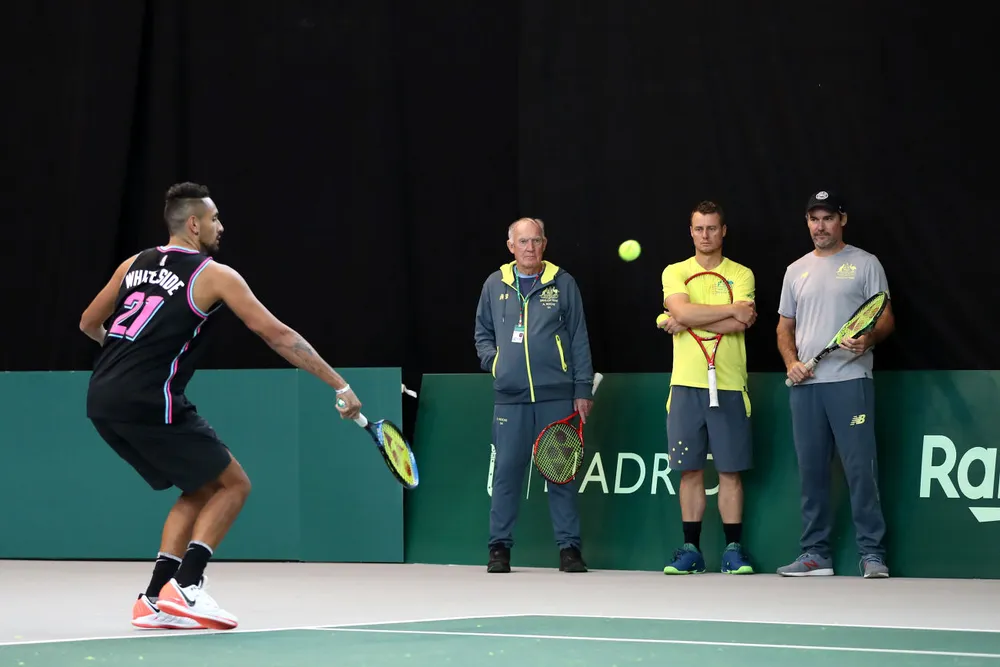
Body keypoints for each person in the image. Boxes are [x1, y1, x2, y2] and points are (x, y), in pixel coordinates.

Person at [79, 182, 363, 630]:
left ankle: (153, 599)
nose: (220, 226)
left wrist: (120, 360)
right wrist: (340, 384)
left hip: (101, 397)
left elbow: (89, 322)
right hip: (151, 398)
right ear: (194, 224)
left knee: (199, 488)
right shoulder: (213, 274)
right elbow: (278, 335)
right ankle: (187, 586)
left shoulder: (133, 264)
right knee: (235, 486)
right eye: (214, 219)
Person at [775, 189, 894, 579]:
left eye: (827, 218)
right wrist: (791, 362)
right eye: (813, 218)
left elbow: (885, 318)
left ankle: (872, 554)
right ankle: (815, 554)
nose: (819, 226)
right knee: (812, 472)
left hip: (850, 381)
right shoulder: (795, 270)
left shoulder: (865, 264)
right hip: (806, 387)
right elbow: (784, 327)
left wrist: (868, 338)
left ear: (842, 219)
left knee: (860, 469)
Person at [473, 217, 596, 574]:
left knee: (560, 474)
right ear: (510, 246)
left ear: (545, 244)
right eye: (523, 242)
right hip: (509, 397)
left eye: (536, 241)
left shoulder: (563, 282)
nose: (530, 248)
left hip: (556, 396)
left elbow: (578, 338)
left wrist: (582, 389)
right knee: (506, 475)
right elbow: (482, 331)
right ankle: (499, 549)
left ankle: (569, 549)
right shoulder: (495, 284)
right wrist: (495, 363)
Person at [657, 201, 757, 575]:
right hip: (685, 386)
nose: (705, 235)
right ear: (691, 231)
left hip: (730, 384)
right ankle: (691, 551)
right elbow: (683, 312)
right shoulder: (675, 271)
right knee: (690, 471)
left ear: (723, 231)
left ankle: (733, 550)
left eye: (712, 228)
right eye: (699, 229)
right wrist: (723, 312)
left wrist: (687, 319)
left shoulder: (741, 274)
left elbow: (742, 321)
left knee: (731, 472)